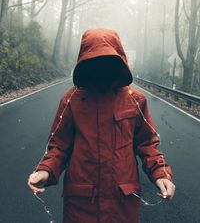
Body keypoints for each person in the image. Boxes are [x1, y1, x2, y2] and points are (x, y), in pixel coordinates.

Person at [27, 28, 175, 223]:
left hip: (122, 202)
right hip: (81, 203)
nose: (101, 68)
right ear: (84, 62)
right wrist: (45, 170)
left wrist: (160, 174)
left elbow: (147, 144)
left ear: (119, 61)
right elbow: (59, 146)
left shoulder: (135, 101)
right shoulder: (71, 100)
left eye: (108, 62)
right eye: (95, 62)